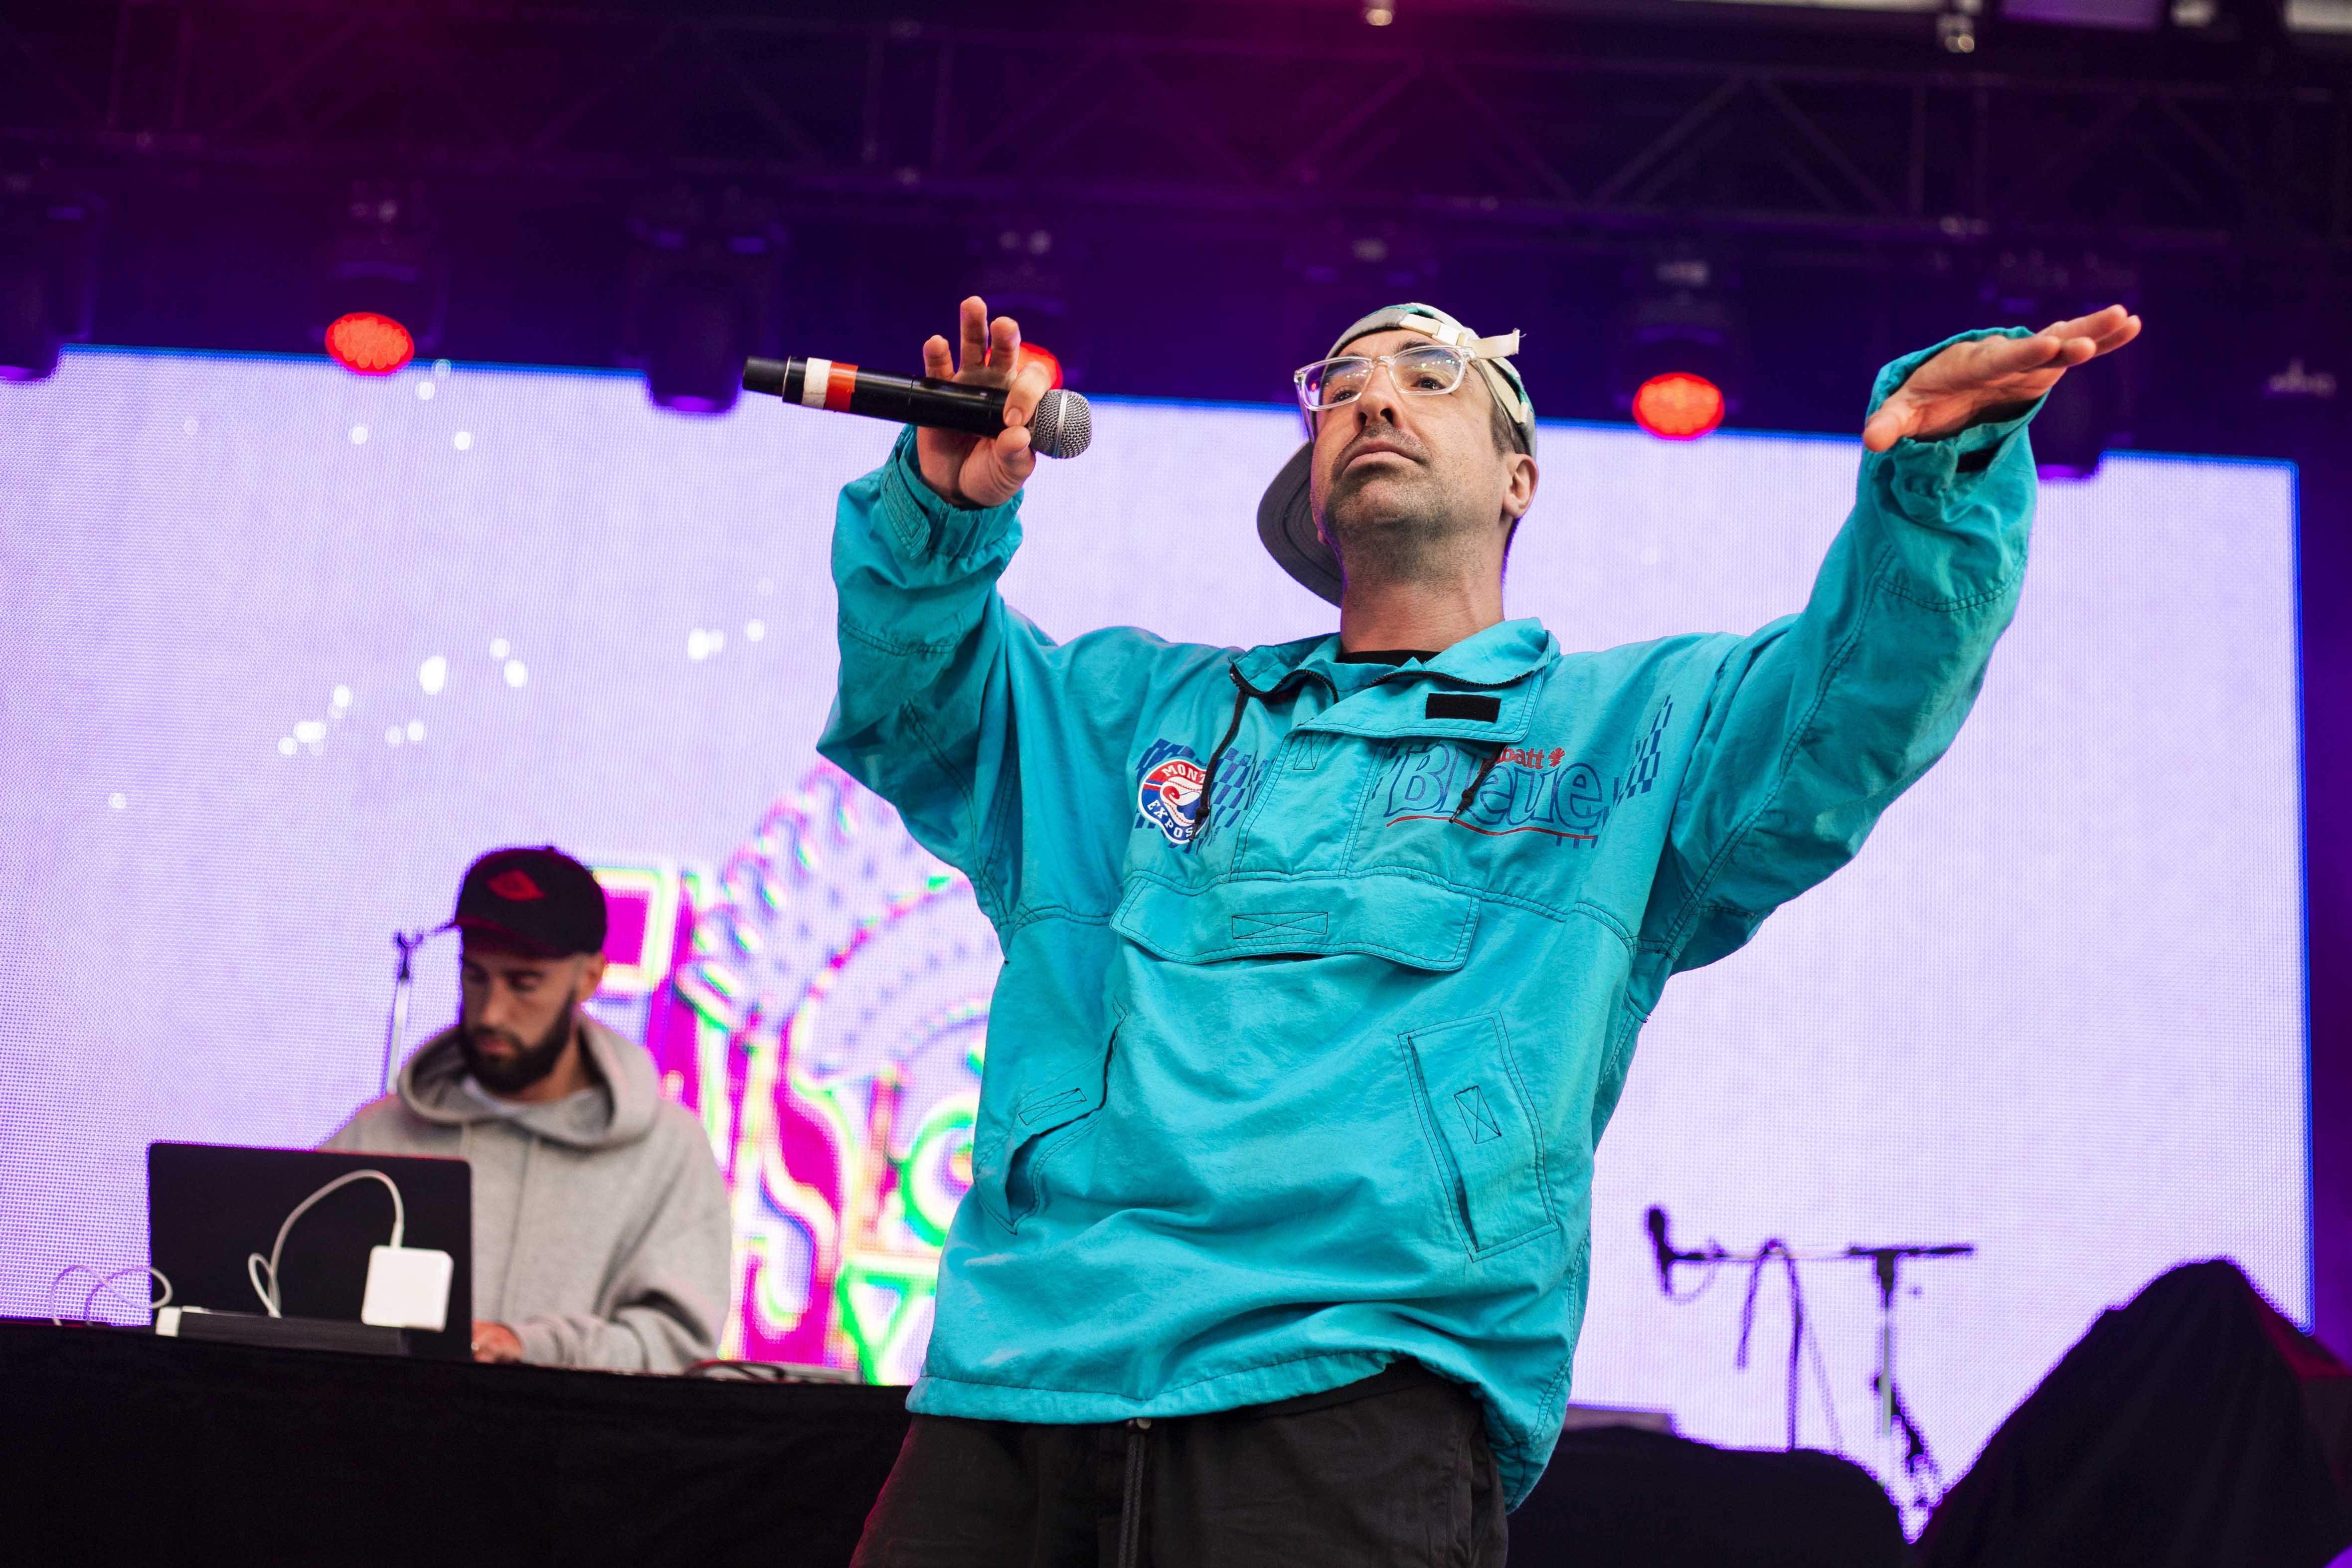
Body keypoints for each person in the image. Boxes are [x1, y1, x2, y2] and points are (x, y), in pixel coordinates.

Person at [822, 294, 2140, 1565]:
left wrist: (1935, 481)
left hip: (1353, 1398)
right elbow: (916, 708)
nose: (1372, 398)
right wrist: (941, 506)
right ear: (1313, 489)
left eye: (1427, 374)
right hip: (1018, 1386)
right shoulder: (1133, 716)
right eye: (1338, 387)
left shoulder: (1628, 730)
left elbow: (1855, 704)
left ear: (1519, 478)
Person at [324, 845, 732, 1372]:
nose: (491, 1013)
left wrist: (531, 1348)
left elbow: (678, 1350)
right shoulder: (379, 1133)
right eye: (475, 976)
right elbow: (284, 1296)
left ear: (590, 977)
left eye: (524, 983)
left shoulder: (668, 1151)